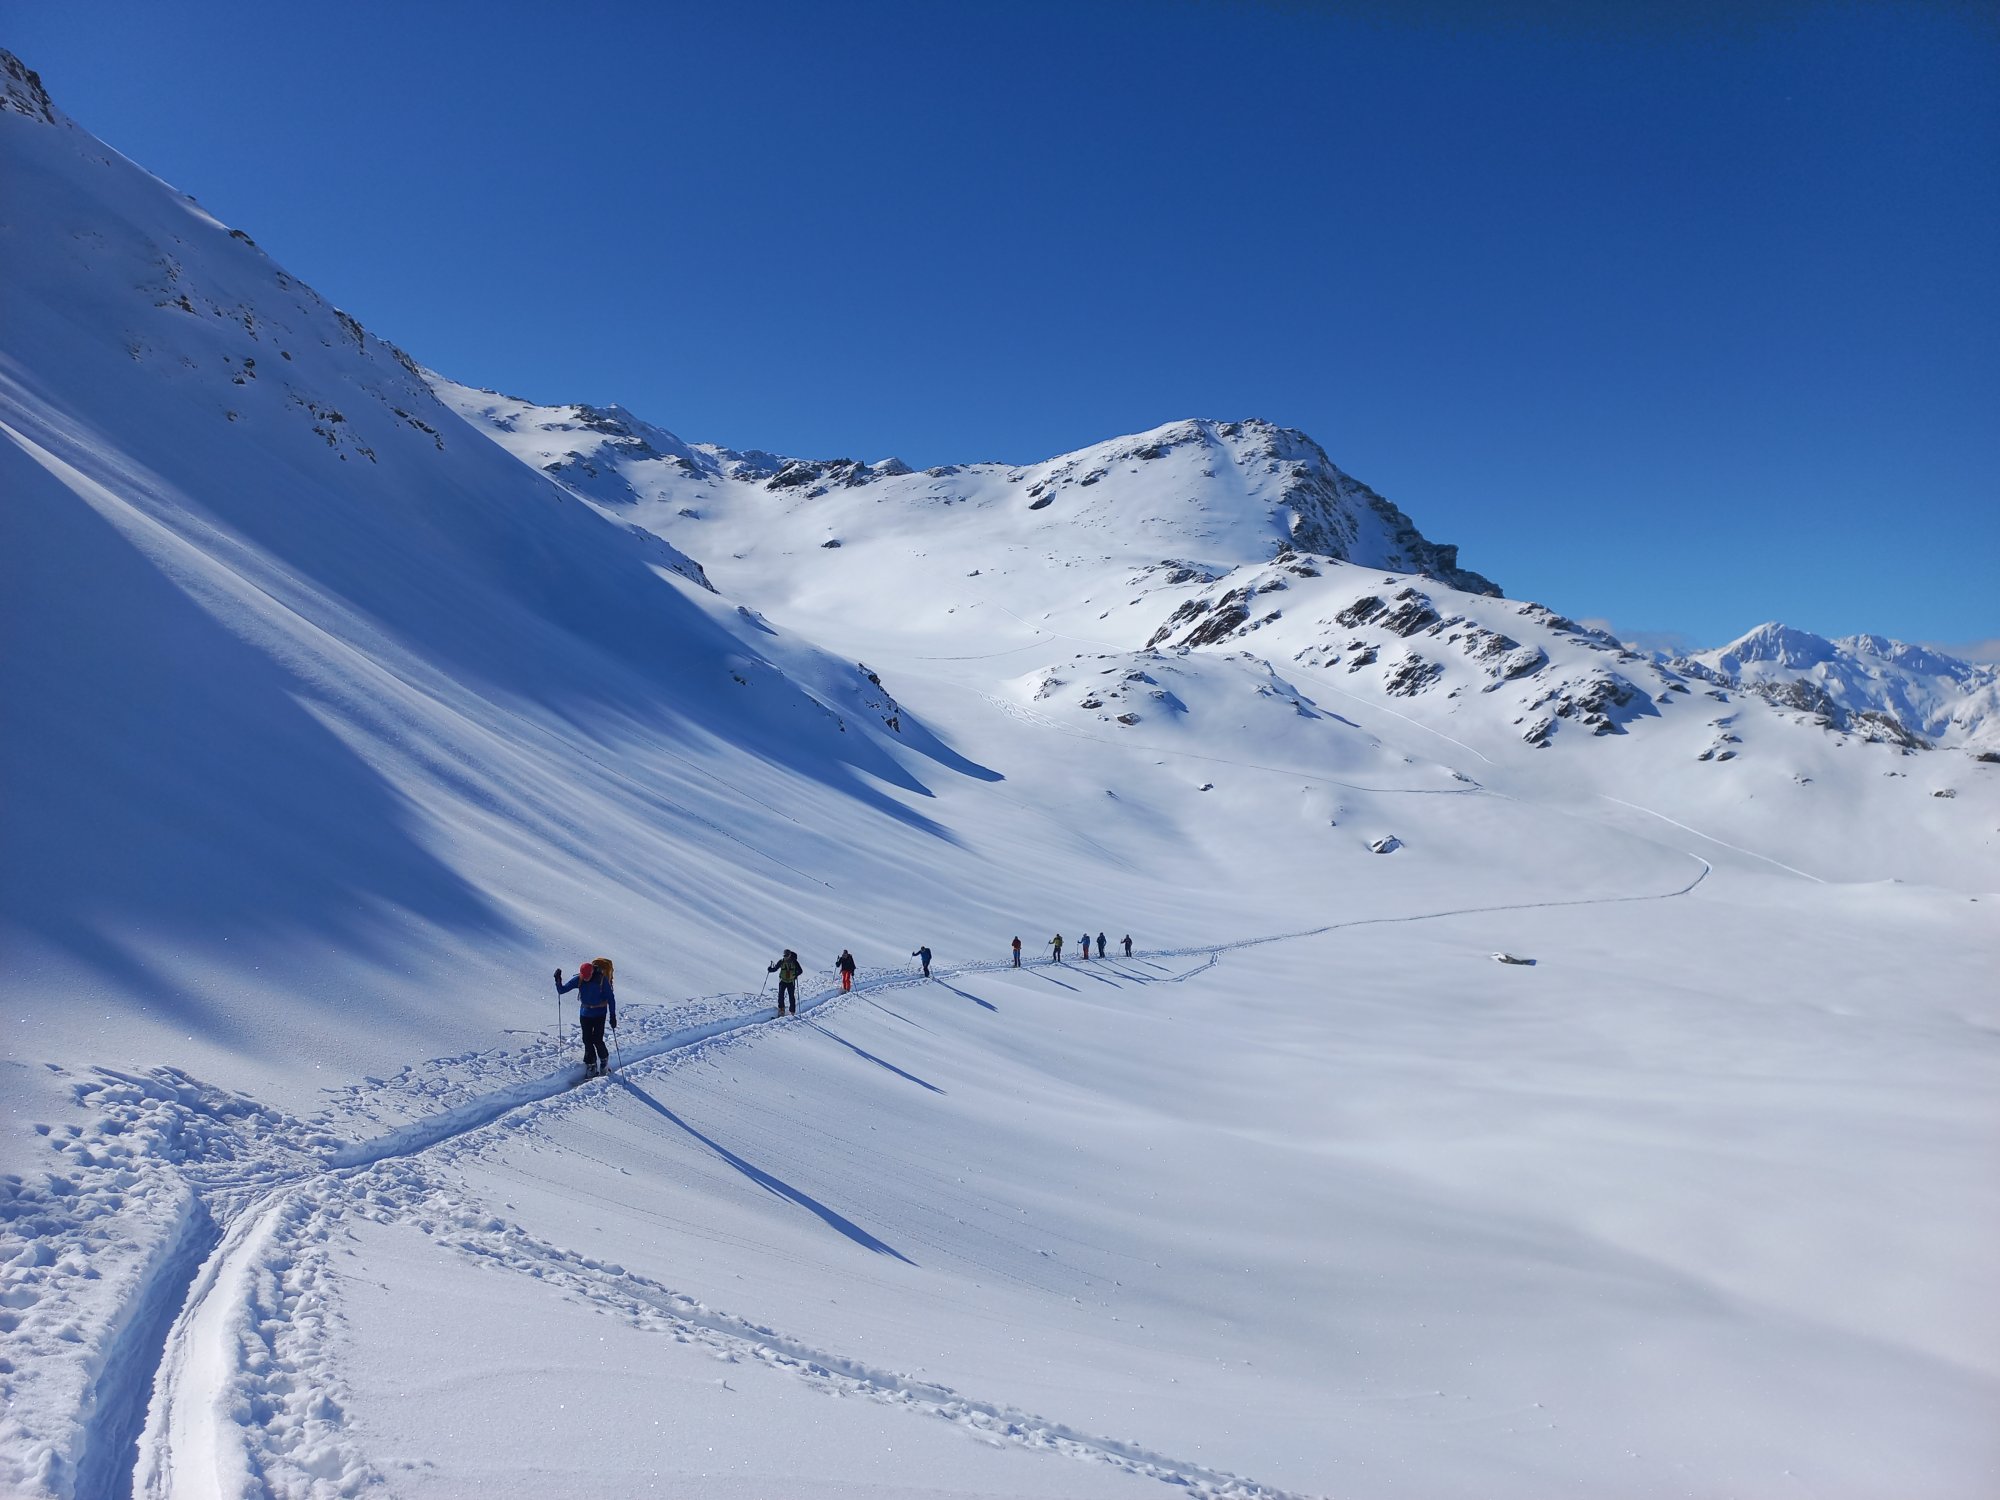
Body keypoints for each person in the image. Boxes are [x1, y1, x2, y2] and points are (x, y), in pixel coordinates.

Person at [555, 957, 617, 1075]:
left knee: (597, 1040)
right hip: (585, 1014)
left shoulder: (602, 980)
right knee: (587, 1039)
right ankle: (591, 1064)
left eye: (588, 976)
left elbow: (611, 998)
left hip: (599, 1014)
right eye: (584, 976)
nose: (586, 979)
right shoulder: (580, 979)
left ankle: (604, 1061)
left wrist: (612, 1016)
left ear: (592, 972)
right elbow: (562, 990)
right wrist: (558, 980)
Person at [767, 949, 802, 1015]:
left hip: (790, 981)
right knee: (781, 995)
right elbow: (775, 969)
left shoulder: (794, 962)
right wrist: (770, 969)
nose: (785, 956)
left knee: (791, 996)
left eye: (787, 955)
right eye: (784, 955)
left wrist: (795, 975)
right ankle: (782, 1009)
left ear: (790, 955)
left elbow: (800, 971)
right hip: (783, 980)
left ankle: (791, 1011)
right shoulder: (781, 961)